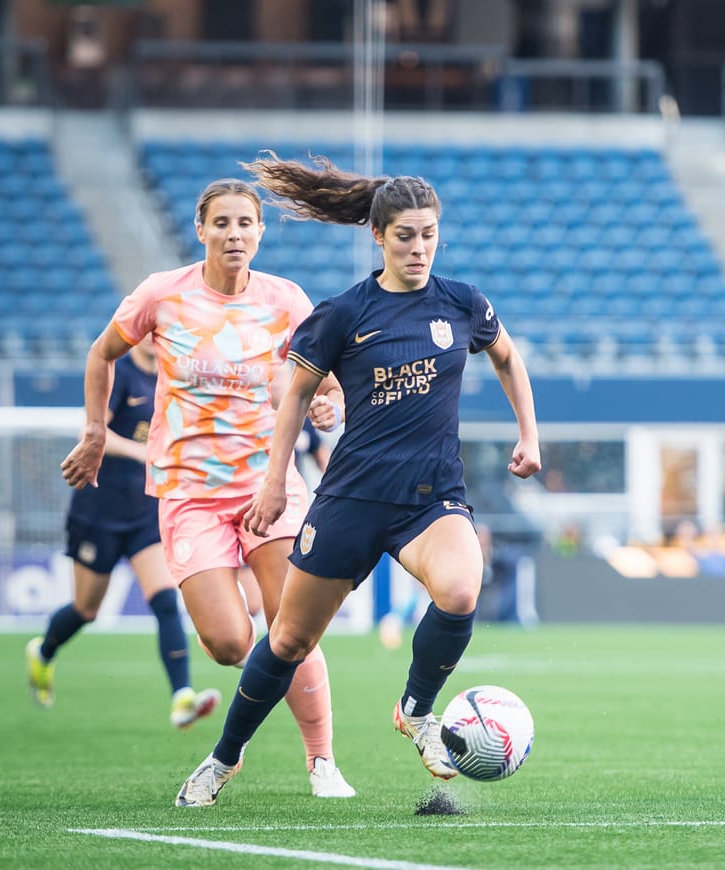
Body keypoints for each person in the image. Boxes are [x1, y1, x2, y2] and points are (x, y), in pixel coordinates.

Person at [173, 156, 540, 807]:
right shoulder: (344, 313)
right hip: (350, 500)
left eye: (429, 233)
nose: (419, 247)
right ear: (378, 235)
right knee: (288, 639)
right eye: (405, 235)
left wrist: (528, 435)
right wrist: (276, 481)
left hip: (431, 498)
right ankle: (223, 758)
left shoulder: (463, 303)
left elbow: (508, 357)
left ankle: (417, 709)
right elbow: (295, 398)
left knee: (461, 590)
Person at [60, 178, 356, 800]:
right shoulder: (162, 296)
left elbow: (326, 378)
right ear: (201, 229)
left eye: (245, 223)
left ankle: (322, 761)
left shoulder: (286, 301)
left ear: (259, 232)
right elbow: (100, 353)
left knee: (293, 627)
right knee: (229, 644)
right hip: (188, 492)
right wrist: (94, 432)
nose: (234, 234)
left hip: (266, 486)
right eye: (221, 223)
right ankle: (249, 717)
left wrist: (330, 403)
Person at [27, 336, 221, 729]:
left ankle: (181, 697)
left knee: (166, 600)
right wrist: (143, 454)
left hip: (145, 511)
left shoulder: (171, 377)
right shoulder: (119, 374)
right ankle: (44, 651)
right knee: (86, 609)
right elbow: (95, 433)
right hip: (98, 510)